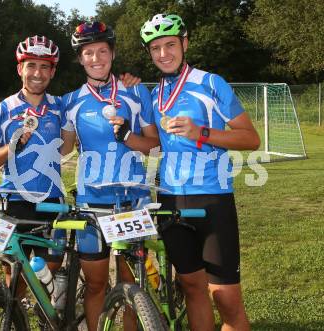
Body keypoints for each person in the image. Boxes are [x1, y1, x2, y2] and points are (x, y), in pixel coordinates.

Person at [140, 14, 260, 331]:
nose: (163, 53)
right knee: (192, 288)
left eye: (170, 44)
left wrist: (201, 133)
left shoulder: (211, 83)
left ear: (185, 43)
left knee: (226, 298)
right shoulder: (155, 96)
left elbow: (250, 138)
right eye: (155, 48)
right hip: (170, 200)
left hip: (212, 200)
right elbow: (155, 143)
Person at [61, 21, 160, 330]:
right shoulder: (70, 101)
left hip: (132, 199)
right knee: (95, 284)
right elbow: (63, 151)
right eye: (88, 52)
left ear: (113, 54)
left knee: (133, 283)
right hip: (92, 201)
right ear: (80, 58)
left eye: (102, 51)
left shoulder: (135, 91)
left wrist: (128, 135)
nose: (96, 58)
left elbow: (153, 144)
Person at [0, 35, 65, 301]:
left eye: (45, 66)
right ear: (20, 69)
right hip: (14, 201)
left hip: (51, 202)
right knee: (14, 278)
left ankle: (47, 311)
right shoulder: (2, 110)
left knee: (51, 268)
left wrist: (127, 83)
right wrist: (12, 146)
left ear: (52, 71)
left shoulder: (61, 106)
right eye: (31, 66)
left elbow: (98, 93)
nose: (37, 73)